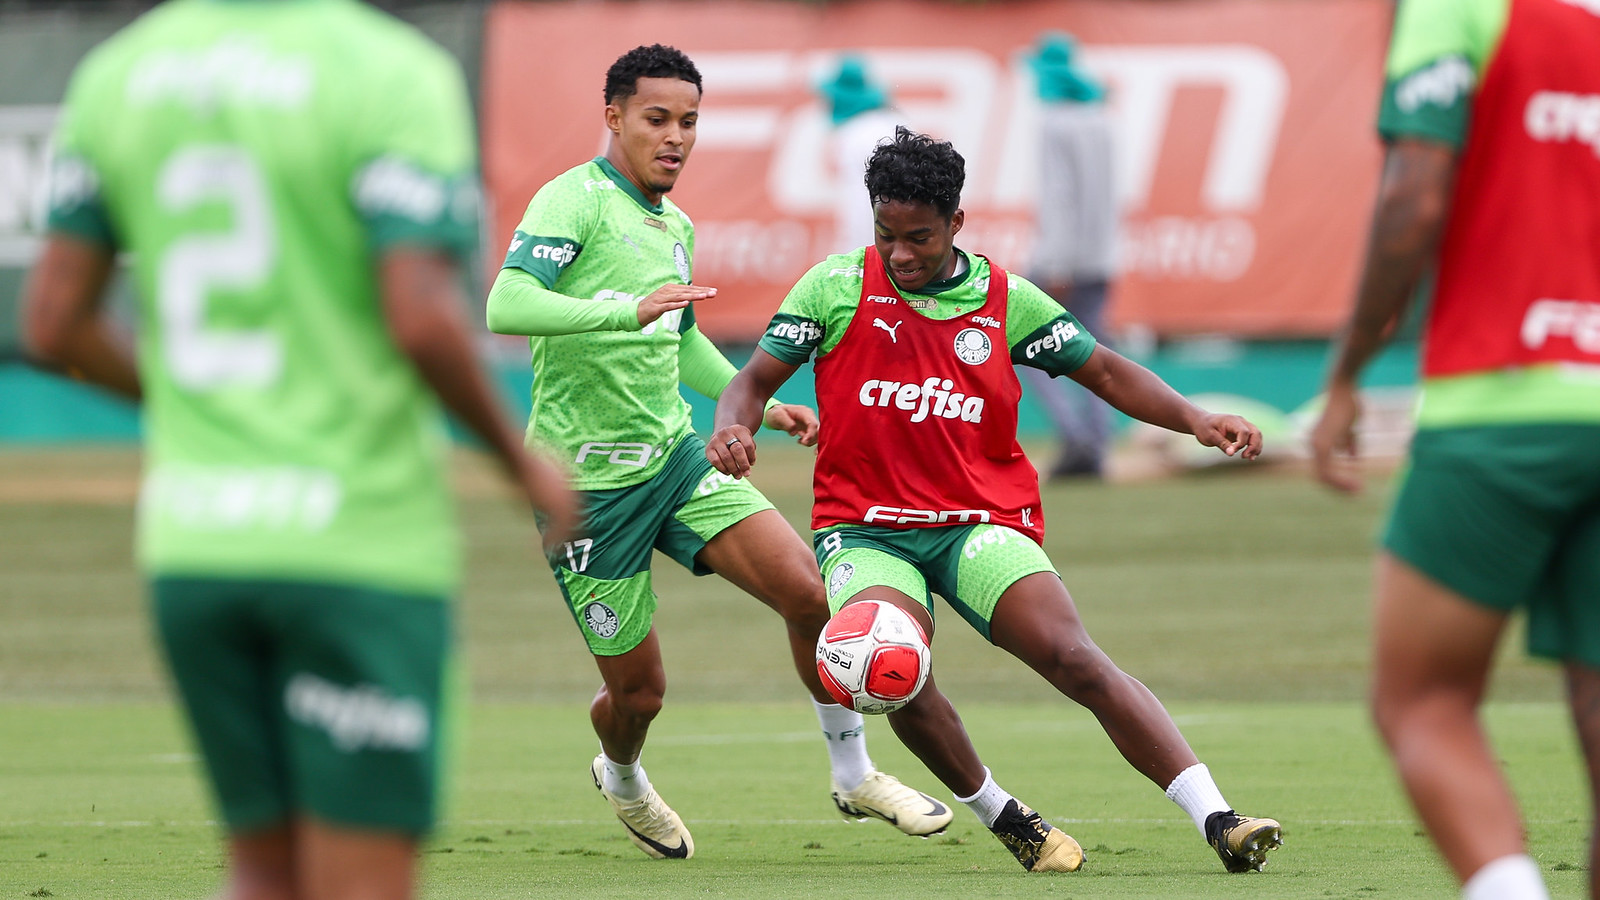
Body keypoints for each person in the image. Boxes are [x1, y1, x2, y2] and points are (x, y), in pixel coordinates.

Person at [20, 1, 579, 898]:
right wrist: (520, 463)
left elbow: (50, 324)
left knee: (263, 870)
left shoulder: (117, 75)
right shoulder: (390, 72)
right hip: (352, 549)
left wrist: (202, 405)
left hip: (193, 549)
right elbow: (425, 321)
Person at [708, 126, 1283, 874]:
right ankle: (1006, 816)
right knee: (892, 663)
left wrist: (1196, 418)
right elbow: (752, 382)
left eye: (919, 236)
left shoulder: (1005, 301)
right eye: (887, 234)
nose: (902, 253)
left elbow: (1104, 372)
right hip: (866, 532)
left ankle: (1220, 819)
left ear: (957, 224)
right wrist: (732, 429)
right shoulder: (835, 288)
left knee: (1074, 658)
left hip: (979, 522)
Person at [483, 44, 949, 860]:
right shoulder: (574, 202)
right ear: (615, 117)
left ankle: (853, 774)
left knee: (811, 594)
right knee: (639, 695)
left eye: (688, 121)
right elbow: (505, 303)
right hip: (586, 489)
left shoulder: (675, 224)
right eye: (656, 119)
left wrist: (760, 405)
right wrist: (624, 310)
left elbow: (681, 337)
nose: (675, 137)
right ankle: (622, 777)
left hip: (674, 461)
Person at [1309, 0, 1600, 896]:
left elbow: (1413, 197)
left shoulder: (1465, 5)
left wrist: (1351, 369)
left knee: (1422, 701)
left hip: (1498, 405)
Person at [1021, 31, 1121, 480]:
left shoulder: (1054, 120)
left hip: (1064, 259)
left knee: (1024, 347)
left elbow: (1060, 195)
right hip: (1101, 256)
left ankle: (1075, 437)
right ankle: (1098, 443)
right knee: (1098, 351)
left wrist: (1056, 261)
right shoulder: (1100, 116)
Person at [817, 53, 901, 253]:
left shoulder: (852, 135)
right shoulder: (898, 123)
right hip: (908, 246)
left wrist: (853, 255)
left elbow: (859, 204)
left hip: (870, 245)